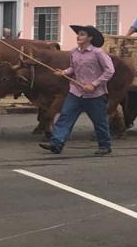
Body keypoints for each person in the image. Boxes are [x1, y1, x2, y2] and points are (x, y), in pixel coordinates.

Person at [38, 24, 116, 156]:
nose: (78, 37)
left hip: (95, 94)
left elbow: (110, 71)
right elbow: (73, 68)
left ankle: (104, 145)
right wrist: (63, 72)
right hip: (76, 92)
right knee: (65, 116)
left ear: (90, 38)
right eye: (78, 34)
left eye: (82, 34)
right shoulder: (74, 52)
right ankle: (57, 143)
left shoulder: (98, 53)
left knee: (99, 121)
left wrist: (94, 84)